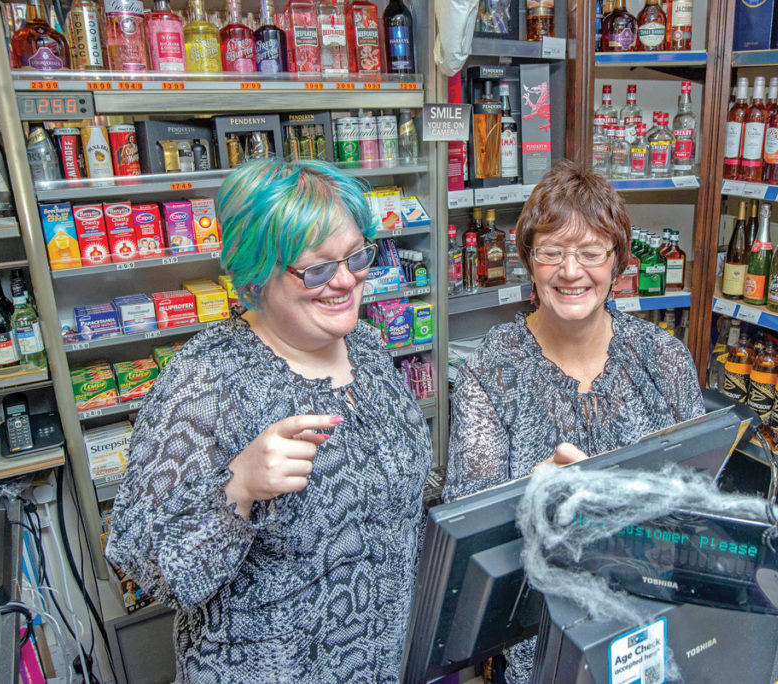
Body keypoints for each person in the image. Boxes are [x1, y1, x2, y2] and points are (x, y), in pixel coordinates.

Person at [106, 159, 433, 682]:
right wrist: (238, 487)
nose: (346, 280)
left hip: (378, 662)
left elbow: (394, 498)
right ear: (258, 274)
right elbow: (147, 567)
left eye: (356, 256)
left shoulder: (368, 350)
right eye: (318, 268)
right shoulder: (207, 380)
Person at [443, 160, 704, 683]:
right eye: (552, 252)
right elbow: (469, 524)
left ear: (617, 262)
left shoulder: (664, 359)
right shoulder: (492, 370)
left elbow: (700, 500)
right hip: (541, 641)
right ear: (529, 261)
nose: (570, 271)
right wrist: (535, 497)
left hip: (649, 626)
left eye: (590, 253)